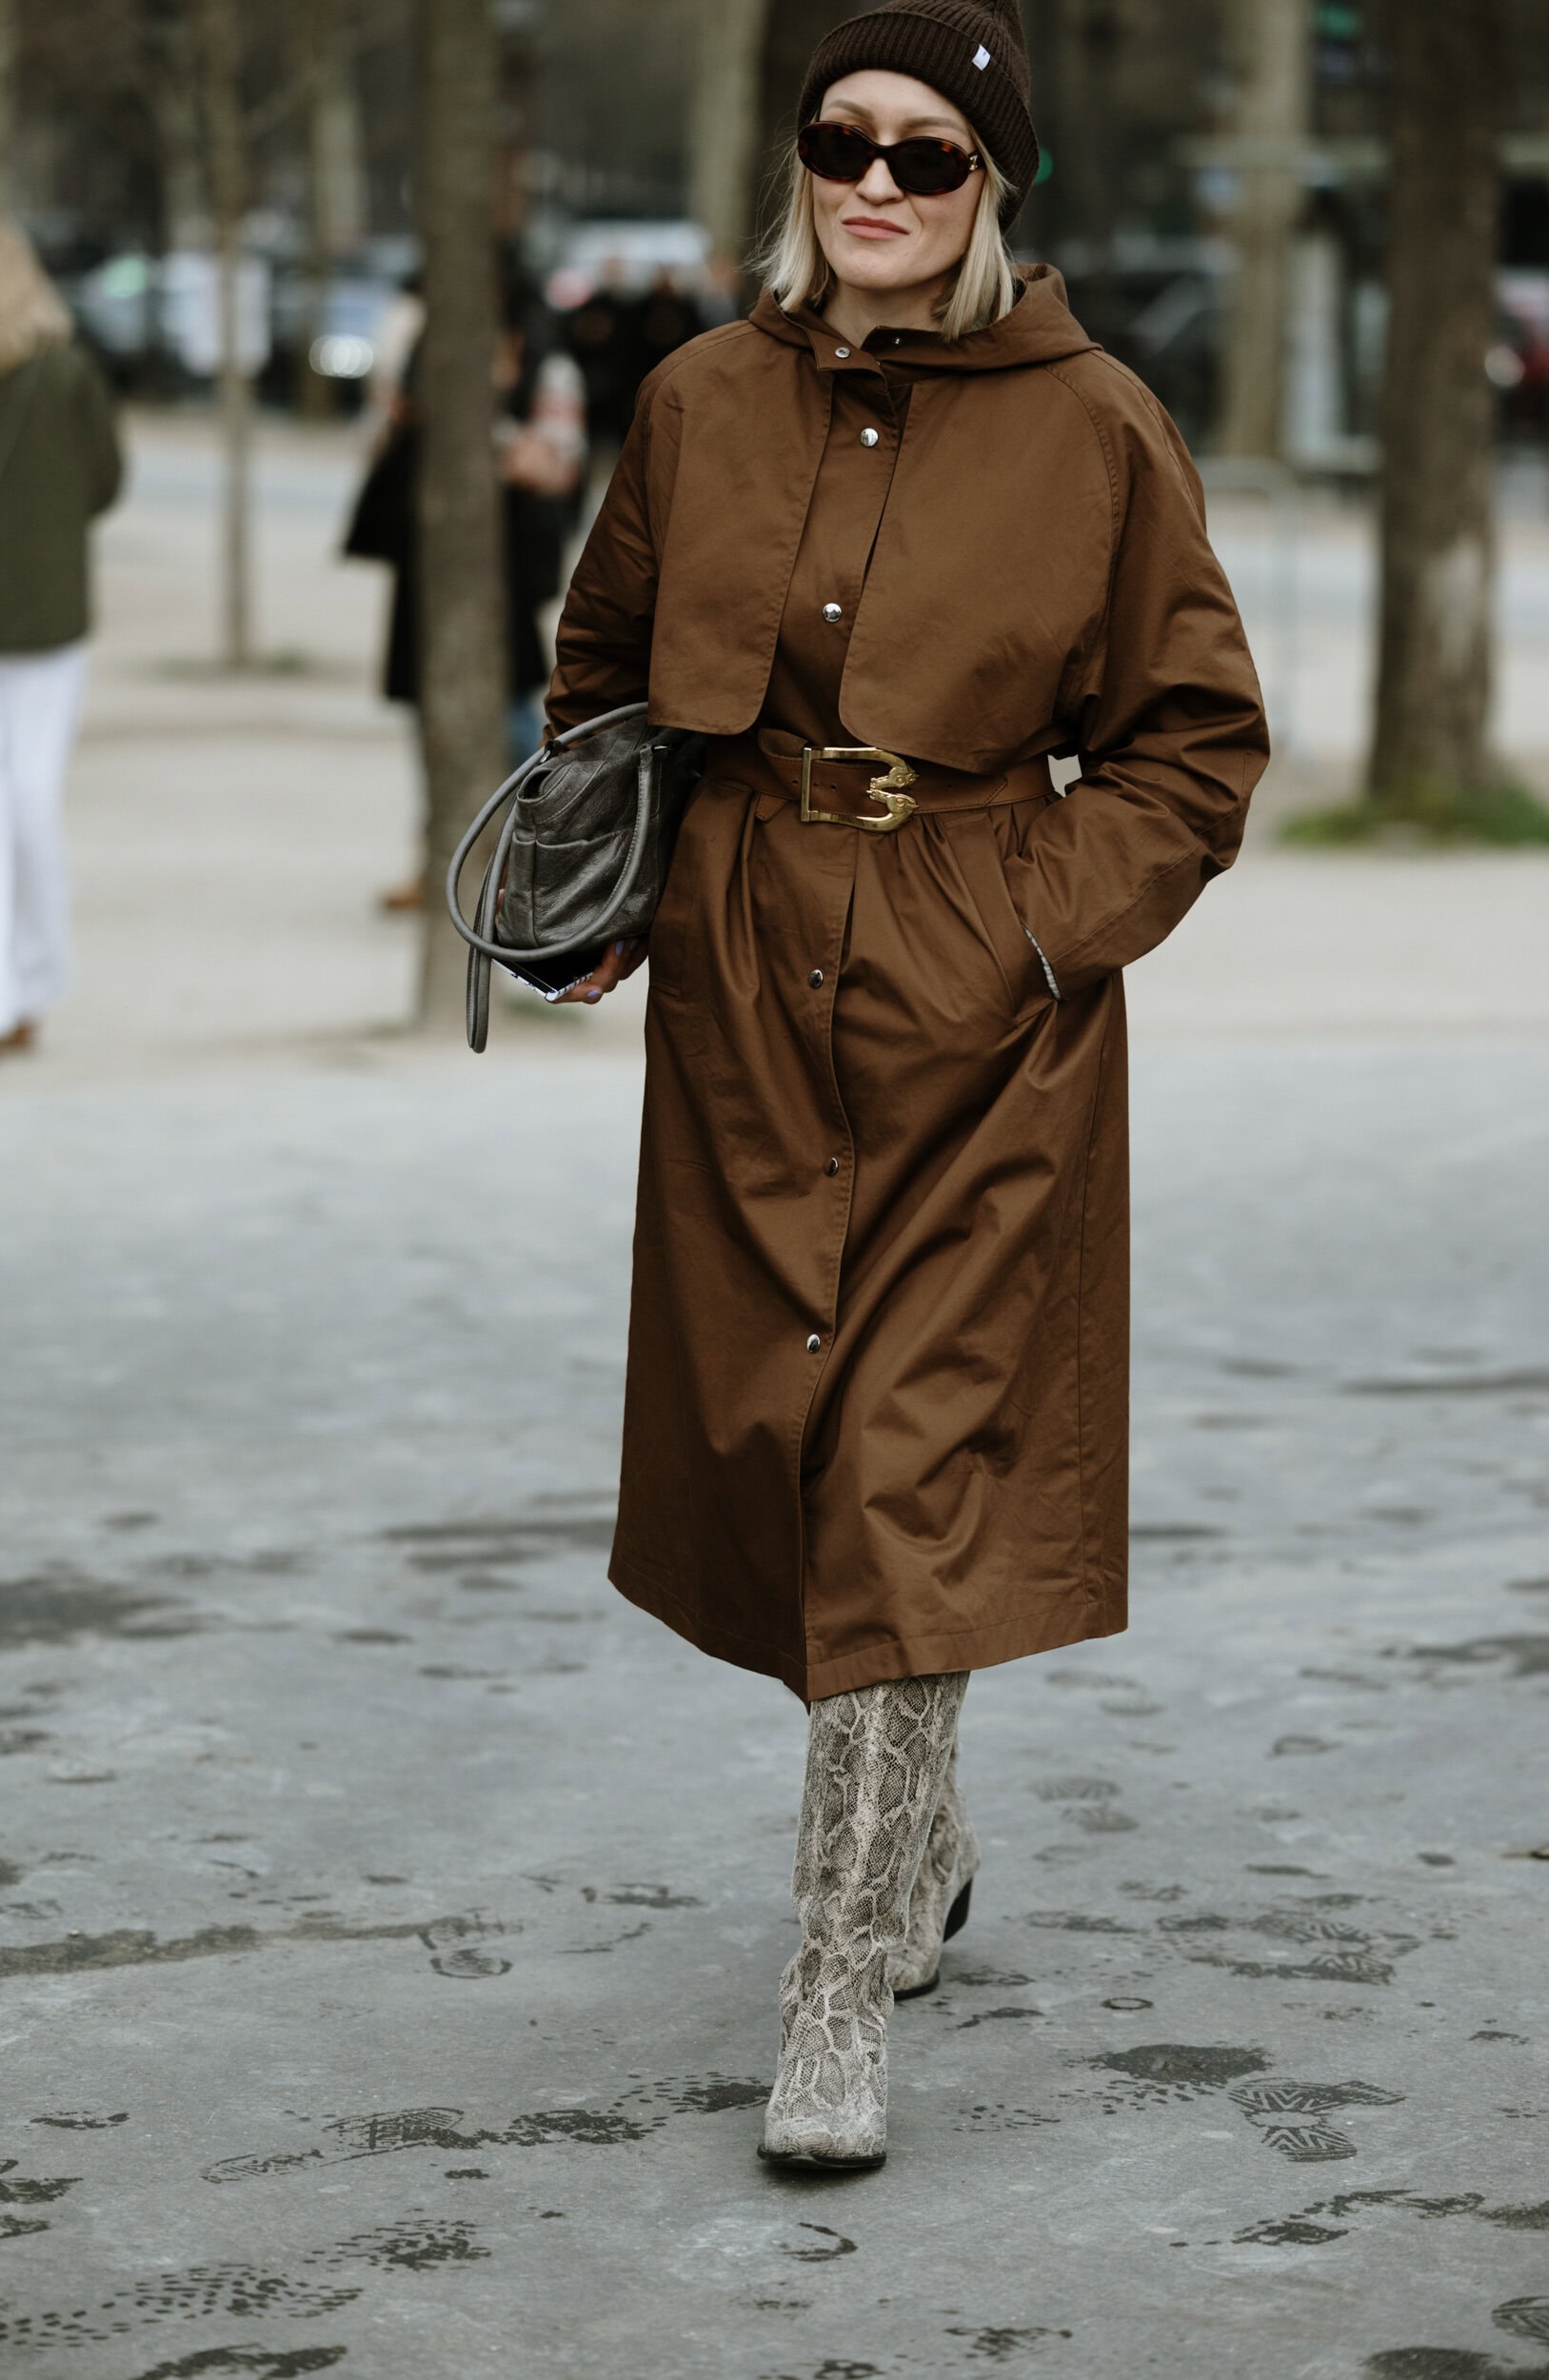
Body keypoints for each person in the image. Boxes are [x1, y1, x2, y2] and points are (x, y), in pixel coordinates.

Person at [544, 0, 1267, 2169]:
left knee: (899, 1487)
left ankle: (835, 1992)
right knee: (785, 1456)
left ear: (989, 190)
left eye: (924, 156)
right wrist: (610, 882)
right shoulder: (693, 395)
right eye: (841, 143)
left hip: (983, 1027)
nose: (874, 182)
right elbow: (603, 673)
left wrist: (1028, 923)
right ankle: (914, 1822)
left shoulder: (1099, 426)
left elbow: (1194, 747)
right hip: (748, 1005)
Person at [347, 275, 585, 909]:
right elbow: (372, 449)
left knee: (511, 728)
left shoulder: (546, 371)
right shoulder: (422, 364)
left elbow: (554, 468)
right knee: (432, 723)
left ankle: (523, 868)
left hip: (502, 582)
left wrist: (484, 431)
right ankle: (438, 861)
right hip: (423, 580)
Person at [0, 216, 122, 1060]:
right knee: (30, 802)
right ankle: (29, 982)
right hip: (50, 616)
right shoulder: (67, 375)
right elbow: (106, 482)